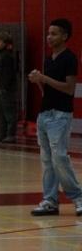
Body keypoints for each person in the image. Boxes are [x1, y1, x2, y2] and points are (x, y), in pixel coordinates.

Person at [27, 18, 82, 216]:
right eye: (48, 33)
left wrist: (44, 78)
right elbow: (47, 89)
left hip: (60, 115)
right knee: (47, 160)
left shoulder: (70, 59)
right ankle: (50, 201)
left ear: (65, 36)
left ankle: (78, 197)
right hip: (45, 114)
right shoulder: (49, 59)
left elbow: (69, 89)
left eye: (54, 34)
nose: (49, 37)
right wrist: (38, 80)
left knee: (60, 157)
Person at [0, 31, 18, 143]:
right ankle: (2, 134)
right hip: (2, 89)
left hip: (7, 89)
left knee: (9, 113)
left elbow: (7, 75)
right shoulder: (1, 55)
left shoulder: (7, 56)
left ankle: (11, 135)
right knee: (1, 112)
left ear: (4, 43)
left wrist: (4, 87)